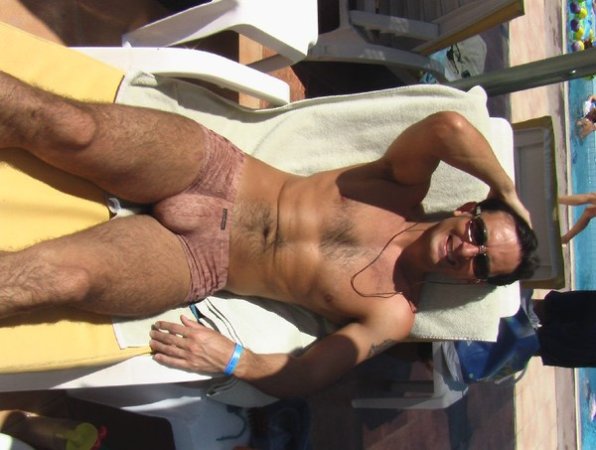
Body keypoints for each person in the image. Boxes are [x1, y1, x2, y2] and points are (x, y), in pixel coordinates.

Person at [0, 71, 538, 398]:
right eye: (478, 231)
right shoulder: (401, 185)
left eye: (482, 263)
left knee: (66, 280)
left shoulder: (393, 314)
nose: (468, 249)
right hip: (213, 170)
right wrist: (508, 191)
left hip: (197, 260)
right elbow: (450, 127)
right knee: (70, 127)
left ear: (473, 283)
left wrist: (235, 359)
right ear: (468, 208)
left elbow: (308, 376)